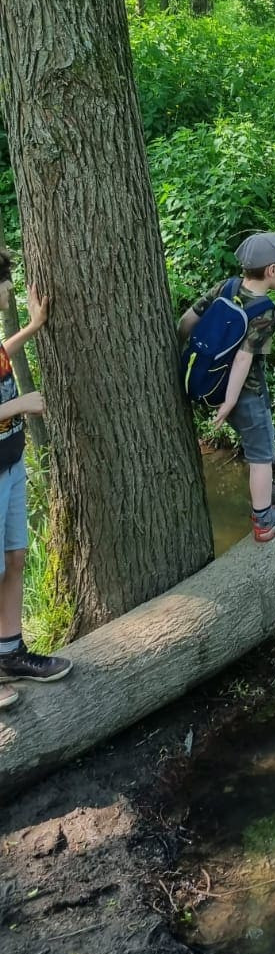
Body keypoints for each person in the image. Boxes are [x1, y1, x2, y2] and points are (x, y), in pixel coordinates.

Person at [177, 232, 275, 544]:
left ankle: (267, 490)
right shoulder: (265, 310)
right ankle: (264, 518)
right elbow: (244, 358)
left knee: (255, 442)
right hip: (242, 393)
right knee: (262, 451)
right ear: (271, 270)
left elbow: (187, 320)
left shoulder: (227, 286)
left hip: (212, 383)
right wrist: (231, 401)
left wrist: (183, 357)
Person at [0, 256, 71, 706]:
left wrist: (33, 326)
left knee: (17, 557)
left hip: (10, 465)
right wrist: (20, 404)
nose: (6, 293)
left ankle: (10, 654)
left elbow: (2, 354)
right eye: (3, 286)